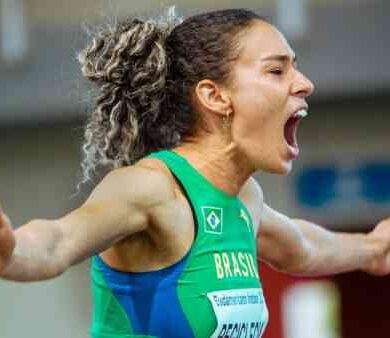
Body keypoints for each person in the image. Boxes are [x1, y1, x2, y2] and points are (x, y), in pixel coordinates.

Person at [0, 7, 389, 338]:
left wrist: (373, 249)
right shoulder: (152, 188)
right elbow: (58, 240)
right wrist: (11, 251)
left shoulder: (245, 199)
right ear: (215, 96)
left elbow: (303, 248)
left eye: (296, 70)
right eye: (276, 71)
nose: (304, 84)